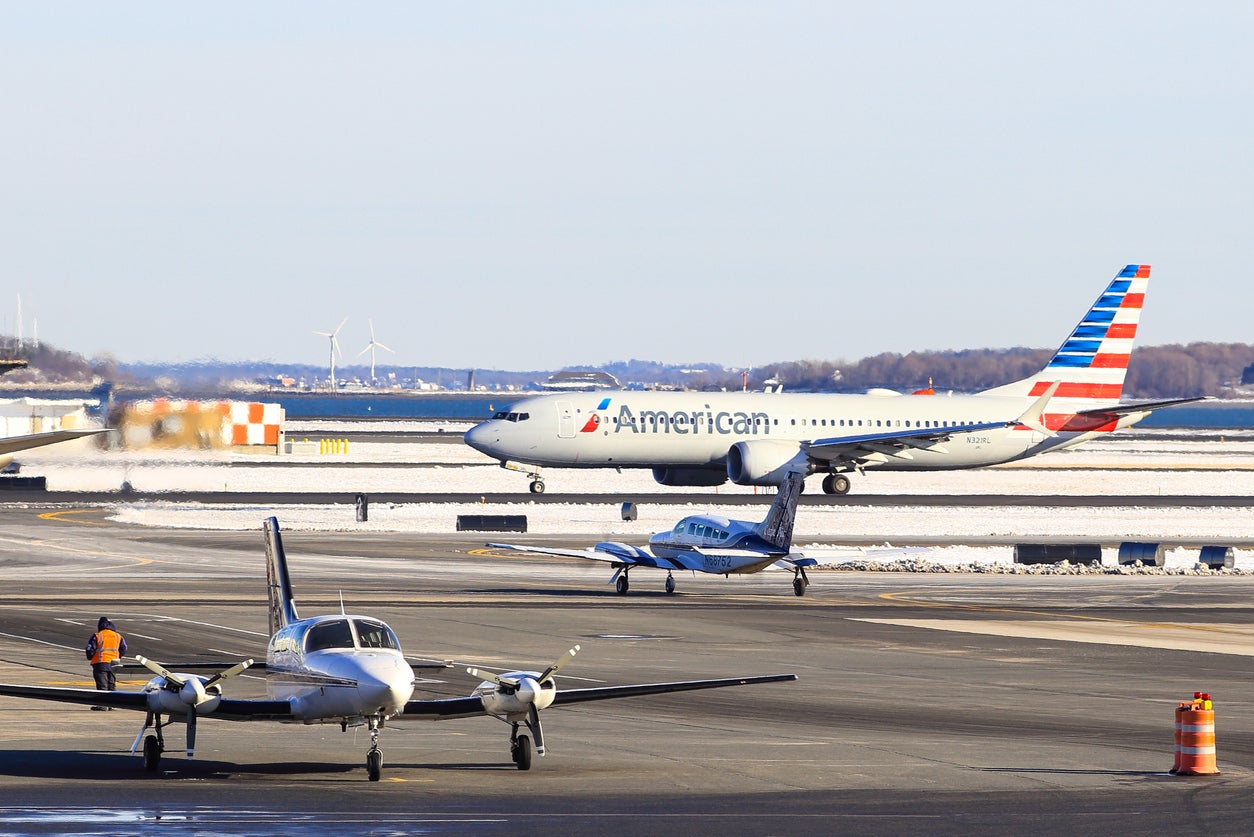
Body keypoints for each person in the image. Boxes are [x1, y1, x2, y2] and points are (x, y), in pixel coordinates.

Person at [85, 616, 127, 710]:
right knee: (111, 684)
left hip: (101, 662)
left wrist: (90, 656)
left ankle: (103, 705)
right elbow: (124, 648)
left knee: (102, 685)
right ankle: (113, 704)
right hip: (114, 663)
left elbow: (91, 648)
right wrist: (117, 656)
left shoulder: (98, 635)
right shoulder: (118, 636)